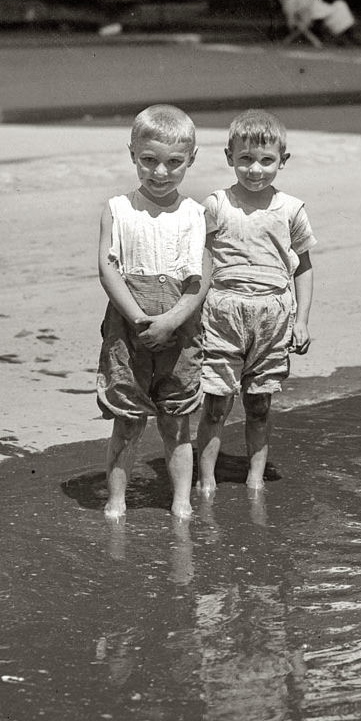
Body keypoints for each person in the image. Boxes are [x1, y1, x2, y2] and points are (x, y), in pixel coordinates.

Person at [96, 104, 210, 521]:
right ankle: (116, 499)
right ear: (132, 154)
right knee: (127, 418)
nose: (160, 173)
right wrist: (138, 317)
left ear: (191, 160)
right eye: (149, 161)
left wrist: (171, 319)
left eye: (174, 163)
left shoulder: (198, 214)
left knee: (178, 421)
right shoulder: (118, 209)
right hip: (129, 328)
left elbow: (202, 277)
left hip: (180, 327)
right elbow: (107, 267)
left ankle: (181, 498)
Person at [197, 109, 316, 499]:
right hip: (223, 312)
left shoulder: (291, 209)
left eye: (266, 160)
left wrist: (302, 320)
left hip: (274, 314)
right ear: (229, 156)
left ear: (283, 161)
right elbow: (201, 260)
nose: (255, 170)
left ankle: (254, 477)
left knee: (259, 402)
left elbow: (304, 266)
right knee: (216, 401)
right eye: (245, 159)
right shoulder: (217, 204)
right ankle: (206, 478)